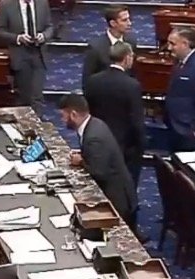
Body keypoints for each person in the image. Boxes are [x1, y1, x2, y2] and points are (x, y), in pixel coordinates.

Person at [59, 94, 139, 235]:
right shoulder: (94, 123)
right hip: (114, 187)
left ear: (73, 114)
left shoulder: (94, 137)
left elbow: (99, 171)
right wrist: (84, 155)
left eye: (63, 116)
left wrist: (81, 161)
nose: (62, 120)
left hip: (116, 199)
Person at [84, 41, 146, 191]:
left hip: (98, 140)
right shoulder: (132, 85)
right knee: (125, 187)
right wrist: (141, 144)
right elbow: (136, 121)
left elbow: (89, 111)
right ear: (126, 58)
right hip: (125, 146)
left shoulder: (93, 81)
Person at [0, 0, 54, 113]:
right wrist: (18, 38)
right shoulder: (7, 5)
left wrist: (44, 36)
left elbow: (49, 27)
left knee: (37, 96)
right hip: (20, 54)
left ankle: (37, 126)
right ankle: (25, 126)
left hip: (38, 54)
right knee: (24, 97)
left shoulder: (42, 3)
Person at [163, 28, 195, 152]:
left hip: (189, 129)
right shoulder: (180, 61)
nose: (169, 48)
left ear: (185, 44)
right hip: (176, 124)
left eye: (172, 44)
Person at [82, 4, 137, 88]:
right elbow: (87, 81)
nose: (129, 23)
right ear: (113, 23)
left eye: (129, 19)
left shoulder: (131, 43)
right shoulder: (95, 47)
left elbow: (133, 74)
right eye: (124, 20)